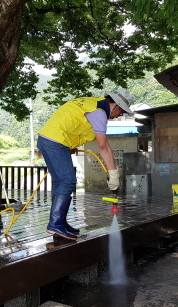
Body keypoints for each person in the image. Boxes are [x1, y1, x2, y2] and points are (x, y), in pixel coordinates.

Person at [37, 88, 134, 240]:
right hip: (55, 141)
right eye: (121, 112)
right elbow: (103, 146)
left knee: (61, 182)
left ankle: (60, 222)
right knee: (67, 180)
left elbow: (72, 124)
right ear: (115, 106)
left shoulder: (92, 104)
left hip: (49, 139)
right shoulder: (99, 112)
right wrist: (113, 173)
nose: (118, 116)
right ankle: (55, 224)